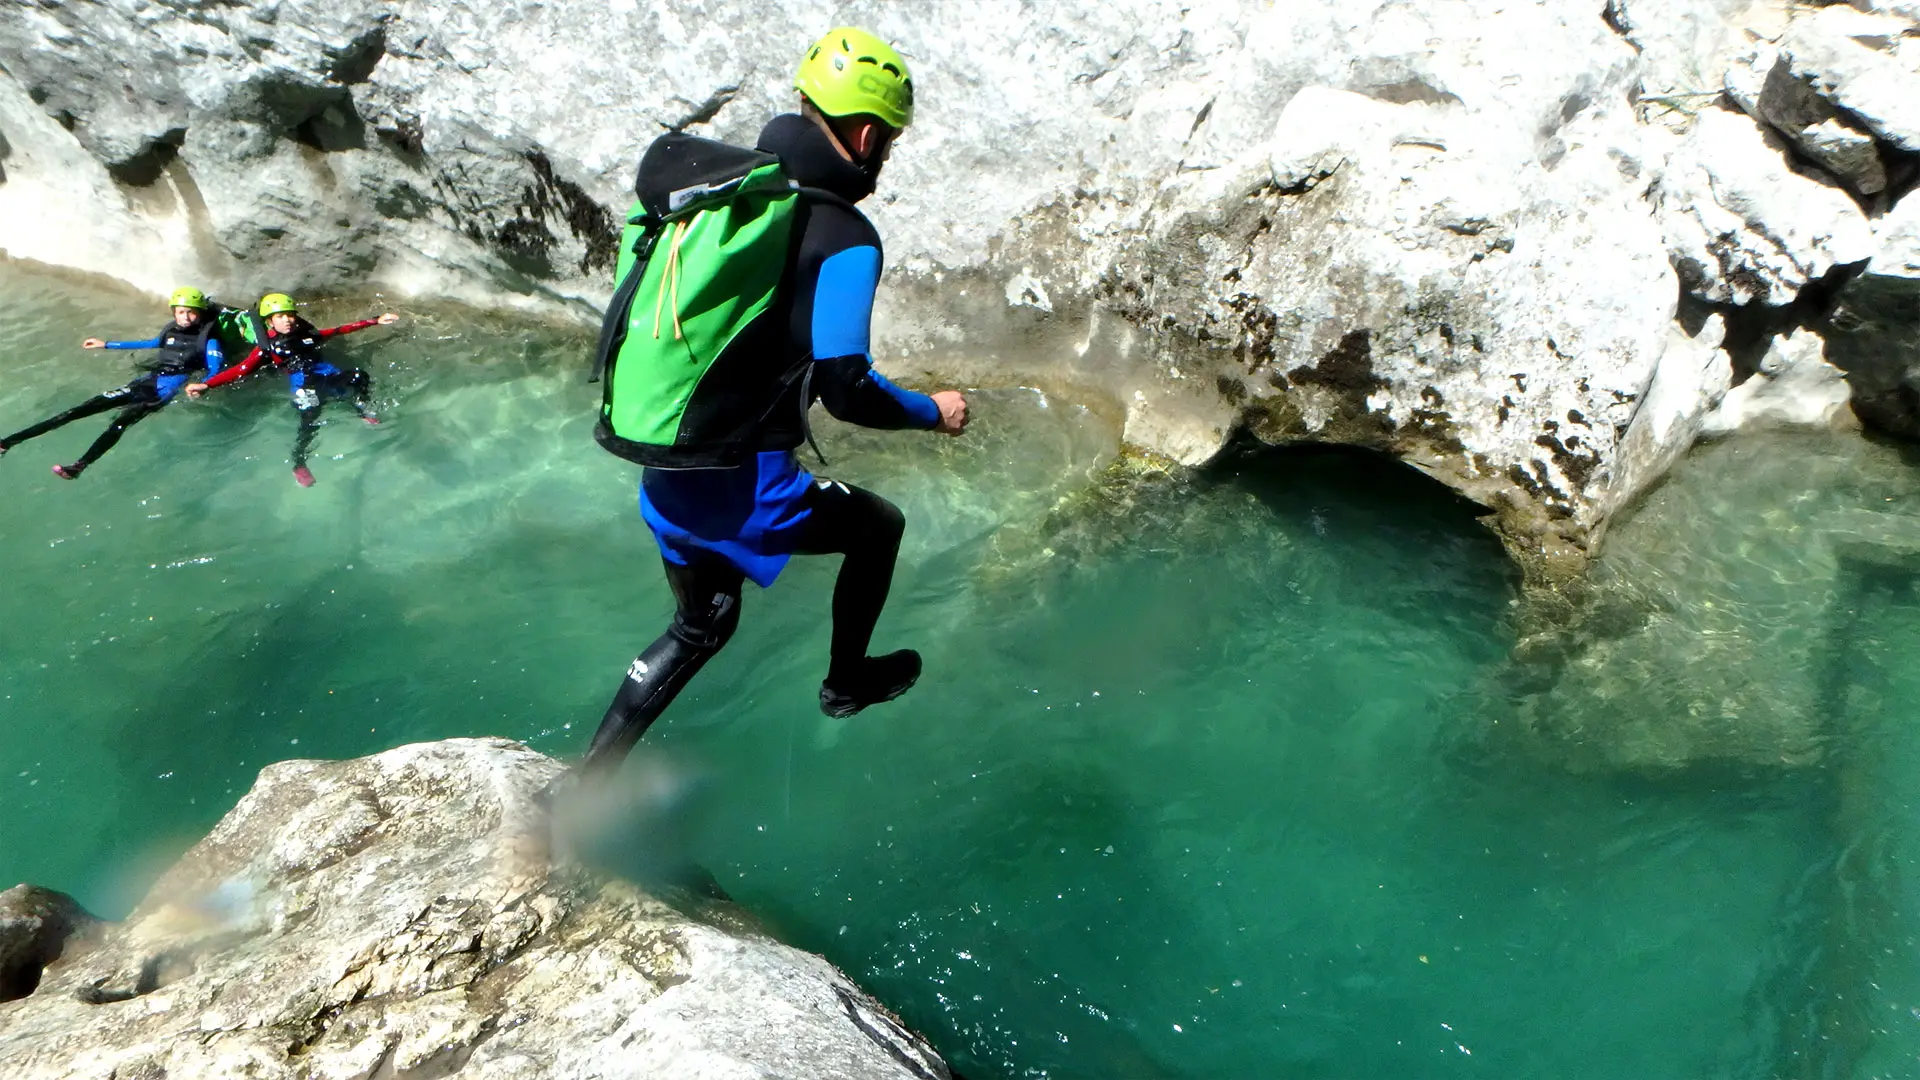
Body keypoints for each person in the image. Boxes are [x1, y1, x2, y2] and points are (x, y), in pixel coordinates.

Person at [580, 27, 969, 774]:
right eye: (885, 140)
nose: (883, 155)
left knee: (702, 625)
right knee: (879, 525)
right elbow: (847, 389)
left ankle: (581, 790)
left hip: (670, 464)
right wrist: (932, 411)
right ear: (864, 133)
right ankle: (846, 680)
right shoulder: (845, 234)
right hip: (746, 481)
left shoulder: (729, 203)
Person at [0, 287, 231, 480]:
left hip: (161, 391)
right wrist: (106, 344)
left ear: (201, 314)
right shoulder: (170, 331)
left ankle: (79, 466)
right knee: (76, 411)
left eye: (192, 313)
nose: (186, 318)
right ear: (174, 312)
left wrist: (204, 385)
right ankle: (8, 442)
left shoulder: (208, 341)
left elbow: (215, 368)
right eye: (181, 312)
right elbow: (149, 343)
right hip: (144, 382)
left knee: (119, 425)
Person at [186, 293, 398, 487]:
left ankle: (363, 411)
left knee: (359, 376)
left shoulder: (308, 334)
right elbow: (241, 370)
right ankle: (299, 463)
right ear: (269, 321)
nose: (286, 320)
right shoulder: (267, 349)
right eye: (279, 316)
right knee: (309, 422)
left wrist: (375, 320)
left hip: (327, 374)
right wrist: (207, 384)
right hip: (304, 386)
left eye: (289, 315)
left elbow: (338, 330)